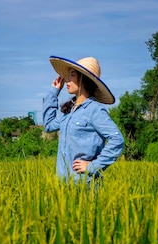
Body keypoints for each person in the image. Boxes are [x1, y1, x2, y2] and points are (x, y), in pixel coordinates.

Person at [42, 56, 124, 184]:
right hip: (63, 184)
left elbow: (117, 140)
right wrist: (53, 92)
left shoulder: (95, 110)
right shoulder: (68, 111)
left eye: (72, 75)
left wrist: (92, 166)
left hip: (84, 185)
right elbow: (48, 125)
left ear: (83, 79)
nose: (67, 80)